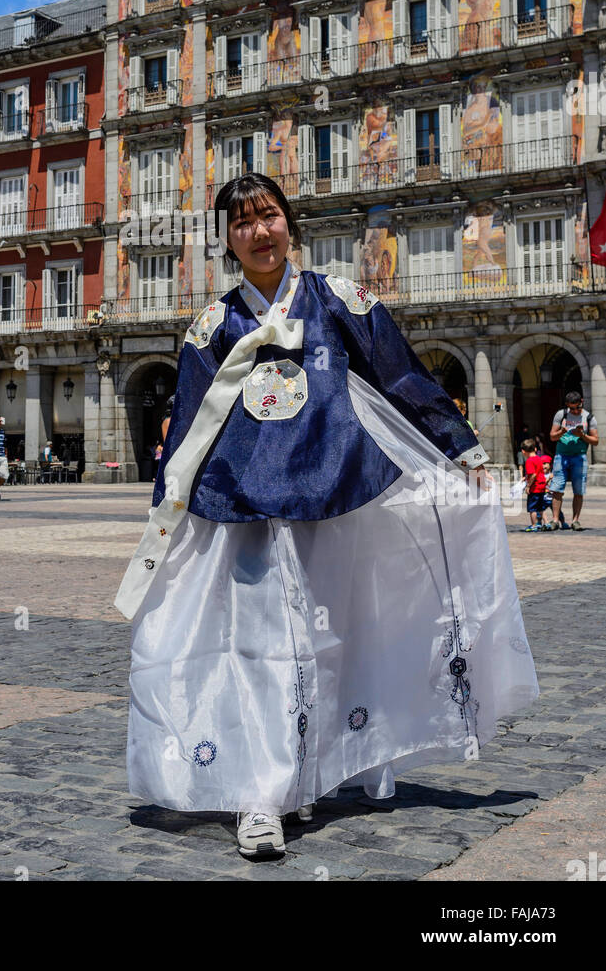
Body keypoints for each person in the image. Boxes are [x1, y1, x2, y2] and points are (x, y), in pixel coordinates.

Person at [116, 172, 538, 860]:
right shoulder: (211, 327)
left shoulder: (338, 299)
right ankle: (260, 794)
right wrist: (168, 515)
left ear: (290, 224)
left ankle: (323, 761)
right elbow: (189, 426)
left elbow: (398, 375)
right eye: (243, 221)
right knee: (257, 650)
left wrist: (458, 449)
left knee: (336, 636)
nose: (259, 231)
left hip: (336, 494)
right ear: (227, 239)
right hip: (245, 509)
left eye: (269, 216)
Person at [547, 390, 599, 531]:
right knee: (557, 488)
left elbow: (595, 441)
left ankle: (575, 520)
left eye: (577, 407)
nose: (575, 411)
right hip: (561, 456)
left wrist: (582, 435)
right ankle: (555, 520)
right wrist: (562, 432)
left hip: (579, 457)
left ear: (581, 401)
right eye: (572, 408)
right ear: (567, 405)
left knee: (578, 490)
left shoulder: (589, 417)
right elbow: (552, 436)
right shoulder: (561, 414)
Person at [521, 437, 551, 531]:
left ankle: (534, 525)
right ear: (535, 449)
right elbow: (537, 472)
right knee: (540, 507)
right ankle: (547, 523)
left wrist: (528, 485)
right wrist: (526, 478)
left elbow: (533, 474)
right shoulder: (539, 458)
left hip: (535, 488)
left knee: (532, 508)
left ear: (523, 451)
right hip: (542, 486)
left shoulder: (529, 461)